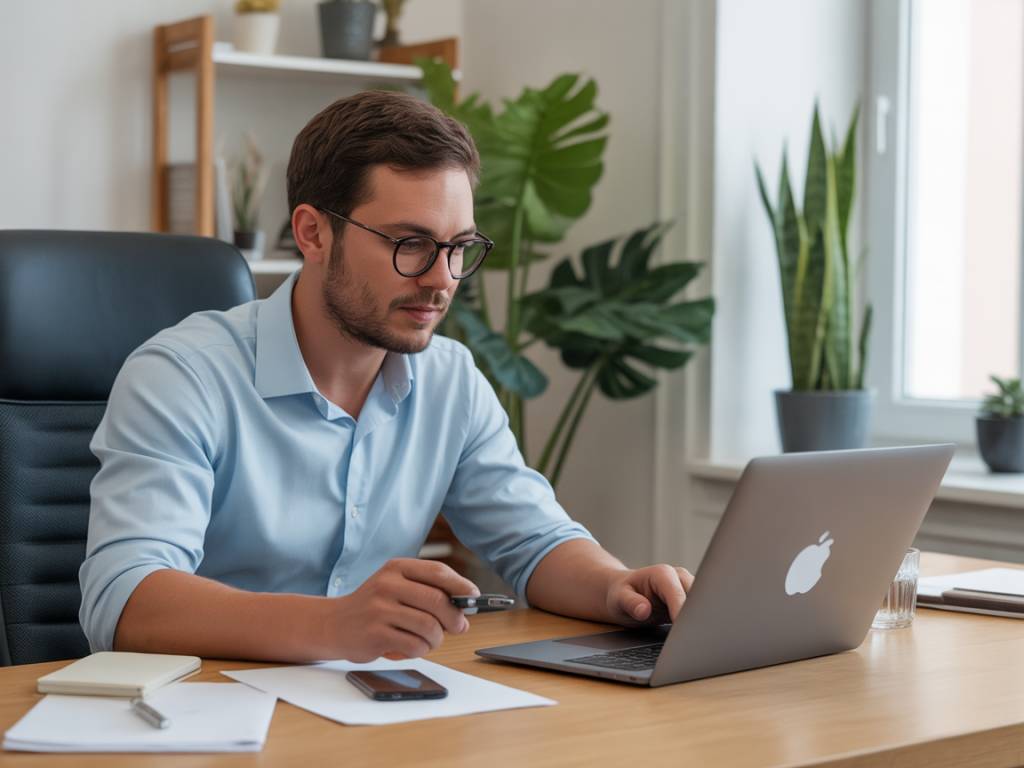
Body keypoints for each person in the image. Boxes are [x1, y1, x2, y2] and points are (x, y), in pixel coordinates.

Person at [79, 91, 694, 663]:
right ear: (313, 233)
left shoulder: (450, 380)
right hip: (201, 719)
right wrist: (333, 625)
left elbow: (534, 542)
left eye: (458, 247)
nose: (442, 278)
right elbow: (124, 598)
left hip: (370, 713)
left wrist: (619, 587)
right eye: (410, 244)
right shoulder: (184, 375)